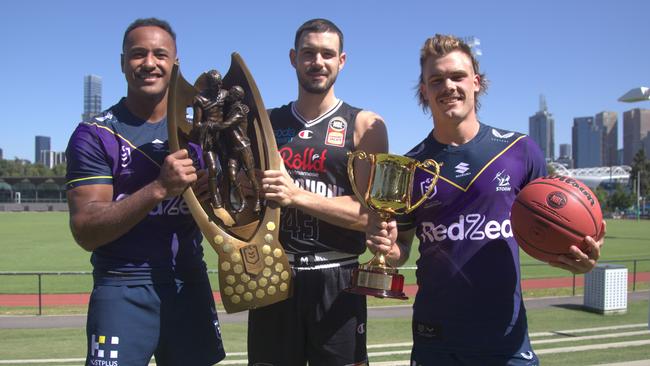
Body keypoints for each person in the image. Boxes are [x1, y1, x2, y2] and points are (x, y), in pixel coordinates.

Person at [366, 34, 606, 365]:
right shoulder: (410, 168)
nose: (448, 86)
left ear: (476, 82)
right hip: (436, 338)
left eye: (457, 76)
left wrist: (577, 256)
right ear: (424, 90)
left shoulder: (520, 151)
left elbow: (550, 226)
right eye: (436, 80)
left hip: (505, 339)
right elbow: (400, 250)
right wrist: (387, 248)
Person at [65, 18, 225, 366]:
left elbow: (224, 214)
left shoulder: (201, 133)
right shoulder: (95, 134)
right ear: (123, 63)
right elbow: (85, 230)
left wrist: (218, 199)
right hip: (123, 285)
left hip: (188, 281)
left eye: (160, 54)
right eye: (138, 54)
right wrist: (158, 188)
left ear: (175, 64)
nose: (149, 63)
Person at [247, 18, 389, 366]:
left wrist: (296, 195)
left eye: (327, 54)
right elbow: (246, 201)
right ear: (294, 58)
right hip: (272, 275)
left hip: (337, 277)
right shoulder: (264, 122)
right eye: (309, 53)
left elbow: (370, 215)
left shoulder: (365, 125)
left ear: (341, 61)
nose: (317, 62)